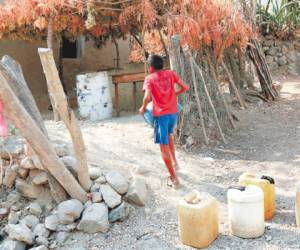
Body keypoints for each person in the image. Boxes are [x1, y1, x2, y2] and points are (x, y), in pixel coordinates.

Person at [139, 55, 189, 188]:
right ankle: (175, 163)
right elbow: (185, 87)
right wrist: (174, 95)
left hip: (161, 115)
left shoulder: (149, 78)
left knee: (163, 146)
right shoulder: (171, 73)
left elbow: (147, 96)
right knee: (169, 135)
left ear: (150, 68)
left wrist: (143, 108)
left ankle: (174, 179)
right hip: (173, 112)